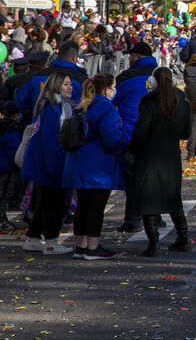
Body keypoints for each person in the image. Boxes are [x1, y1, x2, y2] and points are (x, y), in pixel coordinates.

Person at [62, 73, 129, 260]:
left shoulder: (83, 105)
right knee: (96, 206)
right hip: (99, 165)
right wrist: (124, 145)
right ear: (107, 88)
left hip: (80, 163)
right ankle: (93, 246)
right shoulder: (106, 108)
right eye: (112, 86)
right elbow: (113, 138)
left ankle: (81, 245)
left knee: (83, 205)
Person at [129, 67, 192, 256]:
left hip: (149, 155)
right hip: (171, 157)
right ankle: (183, 238)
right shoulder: (182, 102)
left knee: (148, 199)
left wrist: (132, 147)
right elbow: (186, 134)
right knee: (173, 198)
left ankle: (154, 243)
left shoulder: (148, 102)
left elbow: (140, 132)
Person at [20, 73, 75, 255]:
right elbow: (51, 142)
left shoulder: (58, 106)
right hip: (49, 164)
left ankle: (33, 238)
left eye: (70, 84)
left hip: (47, 164)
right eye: (65, 84)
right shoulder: (53, 108)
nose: (70, 87)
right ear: (56, 86)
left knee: (46, 202)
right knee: (54, 204)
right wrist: (55, 167)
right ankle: (51, 242)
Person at [111, 41, 159, 233]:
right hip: (156, 133)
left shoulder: (126, 77)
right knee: (154, 177)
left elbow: (116, 102)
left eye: (131, 55)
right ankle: (155, 216)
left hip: (132, 132)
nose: (129, 58)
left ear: (137, 56)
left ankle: (133, 219)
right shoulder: (161, 73)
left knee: (133, 179)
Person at [0, 105, 25, 230]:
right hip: (9, 167)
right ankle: (2, 219)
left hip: (4, 166)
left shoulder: (4, 126)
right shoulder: (11, 129)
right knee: (5, 194)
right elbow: (14, 149)